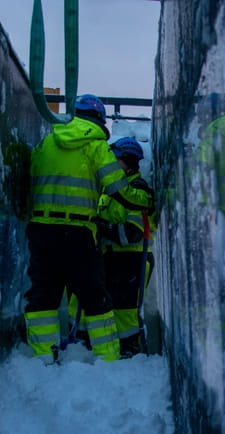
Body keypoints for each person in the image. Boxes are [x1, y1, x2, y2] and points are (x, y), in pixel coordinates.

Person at [23, 94, 150, 364]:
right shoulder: (95, 145)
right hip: (78, 232)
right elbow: (119, 190)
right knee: (94, 295)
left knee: (43, 294)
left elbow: (29, 182)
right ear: (99, 120)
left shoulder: (45, 143)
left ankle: (43, 359)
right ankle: (107, 357)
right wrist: (146, 201)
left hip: (41, 229)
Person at [98, 137, 157, 358]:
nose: (112, 164)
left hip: (132, 259)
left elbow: (131, 234)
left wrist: (100, 226)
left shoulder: (137, 190)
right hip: (113, 258)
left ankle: (130, 349)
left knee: (125, 309)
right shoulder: (111, 191)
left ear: (130, 162)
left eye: (117, 160)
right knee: (112, 305)